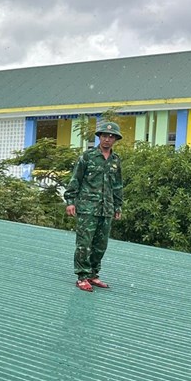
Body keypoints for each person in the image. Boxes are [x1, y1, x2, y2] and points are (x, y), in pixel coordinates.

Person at [64, 120, 124, 292]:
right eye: (105, 136)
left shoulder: (115, 160)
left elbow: (117, 185)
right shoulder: (87, 157)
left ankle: (93, 274)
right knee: (84, 243)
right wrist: (70, 201)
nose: (107, 139)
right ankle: (82, 276)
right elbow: (76, 179)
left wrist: (117, 206)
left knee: (100, 244)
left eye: (111, 136)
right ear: (99, 137)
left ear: (115, 139)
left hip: (106, 208)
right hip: (87, 207)